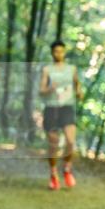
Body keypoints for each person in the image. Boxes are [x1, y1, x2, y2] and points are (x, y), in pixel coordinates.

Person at [39, 40, 83, 190]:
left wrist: (78, 92)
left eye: (61, 51)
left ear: (64, 52)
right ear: (52, 53)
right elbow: (41, 90)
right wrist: (50, 88)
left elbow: (77, 84)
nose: (59, 54)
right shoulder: (47, 69)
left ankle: (67, 169)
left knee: (70, 141)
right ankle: (53, 173)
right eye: (56, 51)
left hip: (67, 107)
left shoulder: (71, 69)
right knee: (53, 143)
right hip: (51, 108)